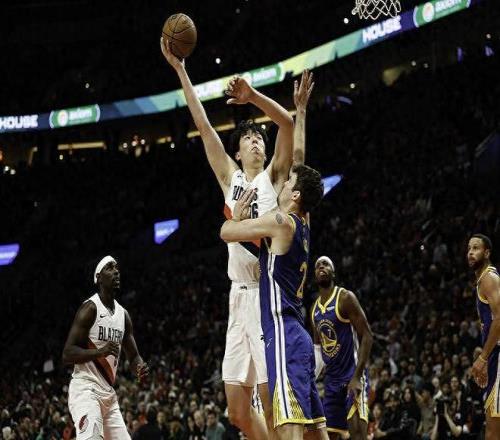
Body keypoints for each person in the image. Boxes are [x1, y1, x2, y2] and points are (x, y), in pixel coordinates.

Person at [161, 37, 295, 439]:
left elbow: (287, 124)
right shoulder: (230, 179)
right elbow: (203, 125)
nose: (256, 141)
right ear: (237, 152)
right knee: (237, 412)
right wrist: (180, 70)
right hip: (237, 297)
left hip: (266, 295)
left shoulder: (274, 178)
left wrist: (253, 97)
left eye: (260, 139)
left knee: (271, 405)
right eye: (249, 139)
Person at [220, 162, 327, 440]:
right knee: (316, 432)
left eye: (289, 182)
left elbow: (226, 232)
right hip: (299, 334)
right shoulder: (303, 224)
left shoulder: (280, 222)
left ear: (296, 195)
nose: (284, 184)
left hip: (283, 334)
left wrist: (237, 216)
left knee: (287, 427)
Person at [62, 256, 149, 440]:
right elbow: (67, 354)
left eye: (117, 268)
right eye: (110, 268)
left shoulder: (123, 315)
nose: (116, 271)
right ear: (99, 278)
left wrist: (139, 368)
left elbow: (134, 356)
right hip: (85, 389)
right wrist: (99, 352)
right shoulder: (90, 308)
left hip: (108, 394)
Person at [311, 257, 373, 440]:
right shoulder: (314, 310)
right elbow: (318, 350)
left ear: (333, 272)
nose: (321, 267)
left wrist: (357, 377)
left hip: (352, 374)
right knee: (328, 435)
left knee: (357, 431)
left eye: (326, 264)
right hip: (332, 381)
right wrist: (309, 378)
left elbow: (367, 336)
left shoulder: (345, 298)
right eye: (318, 265)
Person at [468, 234, 500, 440]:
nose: (470, 253)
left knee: (493, 431)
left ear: (487, 253)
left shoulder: (489, 278)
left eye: (476, 248)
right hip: (495, 355)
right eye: (469, 248)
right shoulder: (483, 280)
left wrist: (483, 357)